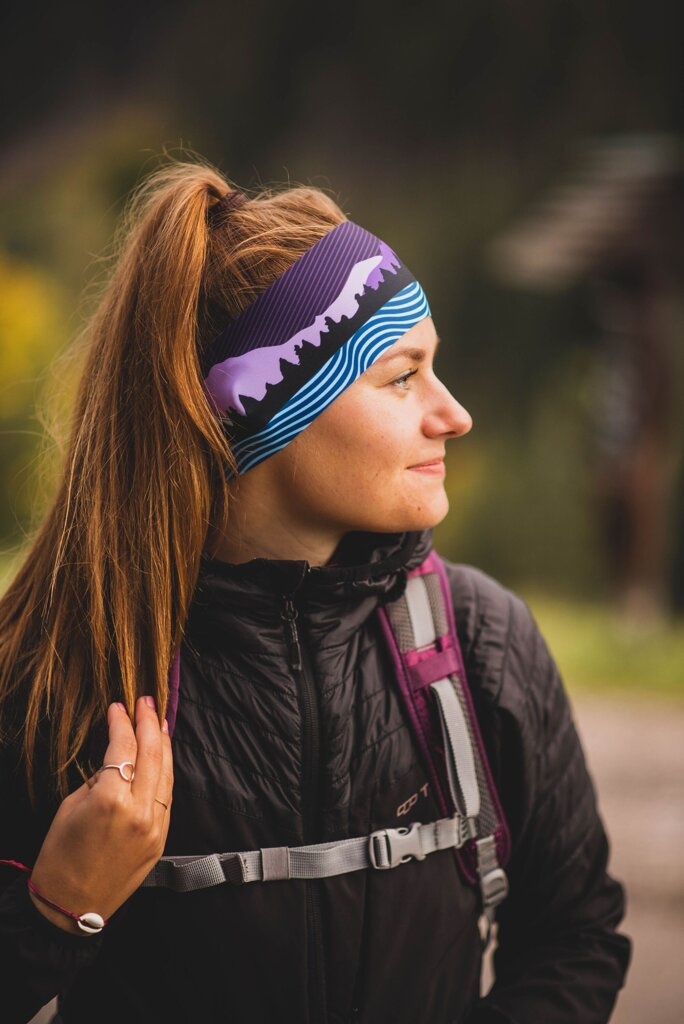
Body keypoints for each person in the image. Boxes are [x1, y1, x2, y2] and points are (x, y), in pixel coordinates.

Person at [0, 159, 630, 1024]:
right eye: (402, 376)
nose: (453, 414)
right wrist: (57, 907)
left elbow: (578, 933)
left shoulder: (480, 640)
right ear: (269, 411)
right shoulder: (63, 669)